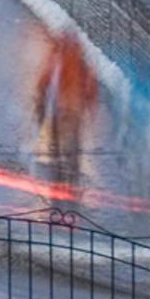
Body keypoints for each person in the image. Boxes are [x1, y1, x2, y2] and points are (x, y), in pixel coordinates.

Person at [33, 27, 99, 204]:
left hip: (59, 107)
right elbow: (90, 86)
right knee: (72, 143)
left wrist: (39, 104)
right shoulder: (81, 61)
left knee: (58, 142)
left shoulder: (57, 58)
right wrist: (90, 108)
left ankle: (60, 178)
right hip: (73, 108)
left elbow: (45, 82)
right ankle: (70, 177)